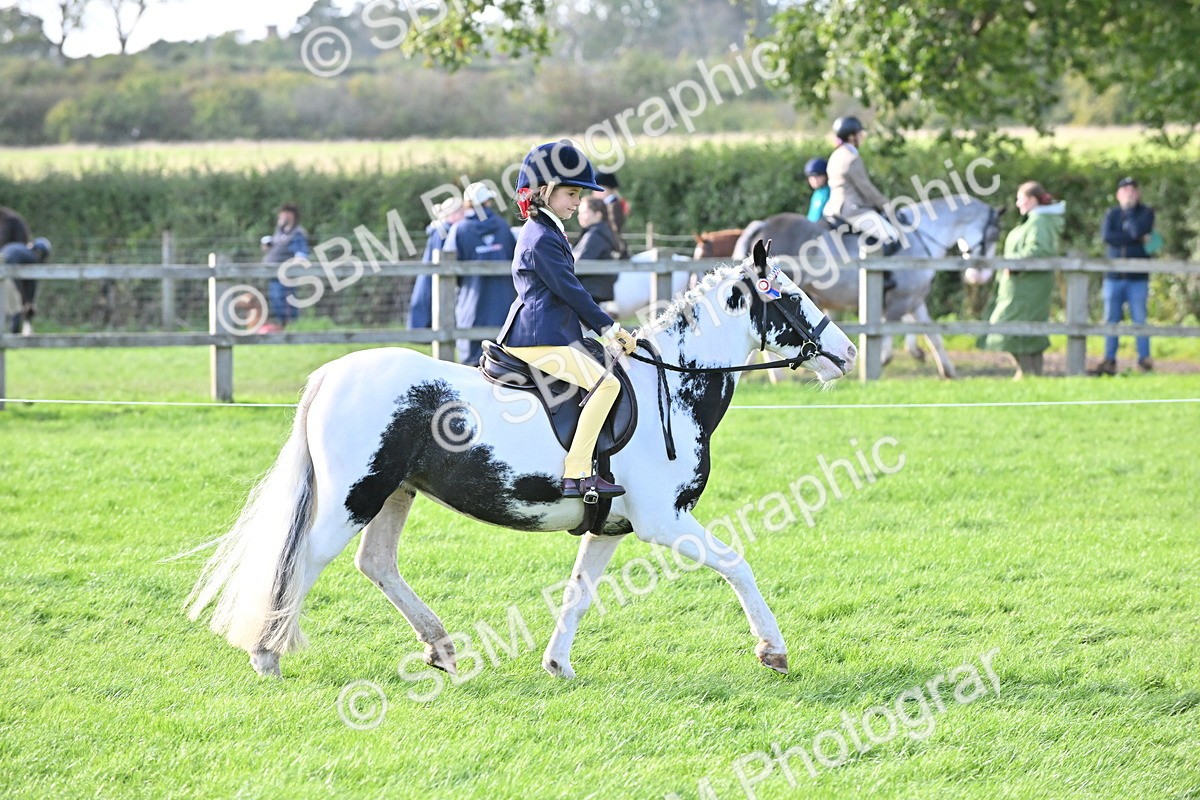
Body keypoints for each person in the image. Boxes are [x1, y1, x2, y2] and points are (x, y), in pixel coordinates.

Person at [498, 140, 637, 500]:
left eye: (578, 195)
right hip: (538, 336)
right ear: (545, 191)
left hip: (548, 331)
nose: (578, 202)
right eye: (572, 194)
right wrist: (610, 329)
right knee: (607, 385)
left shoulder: (547, 230)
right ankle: (577, 473)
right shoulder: (542, 238)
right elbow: (570, 290)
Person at [983, 181, 1065, 379]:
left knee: (1011, 326)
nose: (1018, 204)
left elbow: (1039, 250)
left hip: (1028, 286)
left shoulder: (1038, 222)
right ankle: (1030, 373)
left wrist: (1015, 264)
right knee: (1018, 328)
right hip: (1020, 287)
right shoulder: (1033, 220)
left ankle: (1027, 373)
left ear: (1031, 200)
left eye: (1020, 199)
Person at [442, 182, 518, 365]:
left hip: (471, 308)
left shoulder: (459, 230)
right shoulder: (503, 226)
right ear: (488, 202)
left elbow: (447, 268)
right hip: (504, 307)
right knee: (503, 368)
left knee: (470, 367)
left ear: (468, 203)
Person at [1094, 176, 1156, 375]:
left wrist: (1130, 217)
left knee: (1140, 319)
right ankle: (1109, 360)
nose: (1129, 194)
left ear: (1138, 194)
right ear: (1117, 195)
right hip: (1114, 277)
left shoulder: (1146, 213)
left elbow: (1140, 230)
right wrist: (1134, 237)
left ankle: (1144, 360)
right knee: (1111, 319)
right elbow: (1108, 237)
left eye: (1132, 190)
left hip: (1137, 278)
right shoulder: (1111, 214)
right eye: (1125, 191)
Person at [824, 116, 900, 258]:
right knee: (892, 236)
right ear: (852, 137)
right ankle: (879, 277)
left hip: (832, 207)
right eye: (860, 134)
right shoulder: (852, 158)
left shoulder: (835, 155)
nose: (862, 137)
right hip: (852, 210)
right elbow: (866, 188)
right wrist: (886, 204)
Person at [409, 199, 465, 329]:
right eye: (463, 213)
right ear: (454, 214)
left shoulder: (441, 229)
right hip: (437, 278)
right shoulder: (443, 232)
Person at [259, 202, 309, 333]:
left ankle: (290, 330)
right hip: (274, 276)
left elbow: (301, 253)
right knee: (276, 303)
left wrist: (297, 261)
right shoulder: (279, 232)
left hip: (285, 277)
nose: (282, 216)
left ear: (292, 215)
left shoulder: (297, 233)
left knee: (286, 304)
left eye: (285, 213)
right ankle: (282, 329)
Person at [572, 196, 621, 306]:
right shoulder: (599, 232)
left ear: (597, 215)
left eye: (584, 212)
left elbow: (578, 262)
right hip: (594, 290)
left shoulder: (595, 235)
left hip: (590, 291)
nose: (580, 216)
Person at [1, 237, 51, 335]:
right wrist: (29, 302)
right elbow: (31, 282)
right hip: (5, 275)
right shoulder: (31, 257)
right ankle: (13, 339)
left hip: (3, 272)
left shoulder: (20, 248)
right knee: (16, 308)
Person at [592, 171, 631, 257]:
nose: (593, 193)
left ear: (603, 188)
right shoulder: (610, 204)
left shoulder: (613, 206)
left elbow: (615, 230)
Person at [804, 158, 830, 223]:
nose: (814, 180)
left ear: (825, 176)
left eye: (817, 176)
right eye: (811, 177)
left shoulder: (829, 192)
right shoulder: (817, 193)